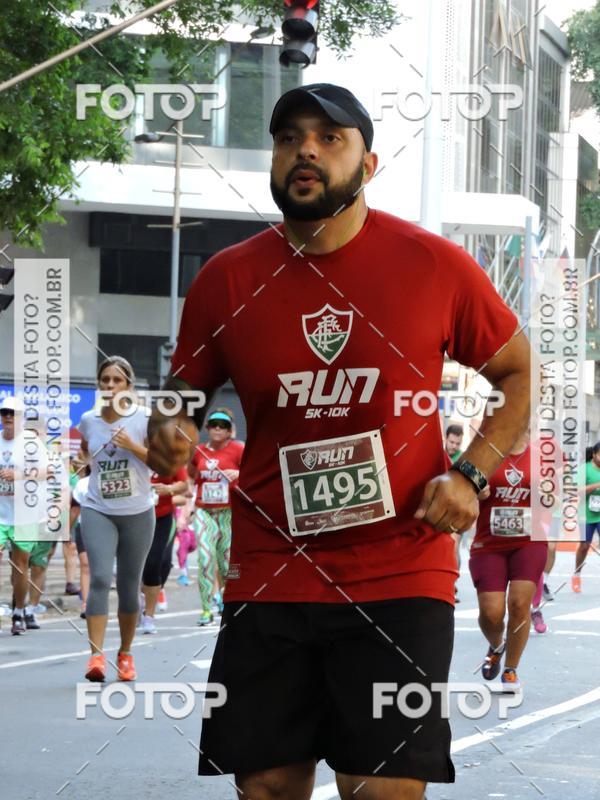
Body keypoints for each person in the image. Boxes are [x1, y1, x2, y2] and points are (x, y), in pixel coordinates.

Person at [148, 83, 531, 799]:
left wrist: (470, 475)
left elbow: (517, 373)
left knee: (380, 789)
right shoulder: (226, 279)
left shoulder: (434, 265)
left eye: (330, 138)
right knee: (264, 785)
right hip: (270, 571)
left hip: (397, 571)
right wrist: (170, 427)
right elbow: (182, 397)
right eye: (290, 137)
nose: (307, 151)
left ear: (369, 162)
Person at [78, 356, 155, 682]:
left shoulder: (146, 419)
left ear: (129, 385)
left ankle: (125, 654)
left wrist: (131, 446)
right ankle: (96, 656)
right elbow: (85, 449)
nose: (109, 386)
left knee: (127, 586)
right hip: (98, 509)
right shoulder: (89, 419)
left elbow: (162, 462)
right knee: (98, 578)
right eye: (104, 380)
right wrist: (81, 462)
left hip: (138, 512)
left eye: (116, 380)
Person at [469, 430, 547, 691]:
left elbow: (554, 500)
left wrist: (546, 495)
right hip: (489, 543)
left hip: (529, 542)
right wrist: (476, 492)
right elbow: (465, 492)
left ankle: (511, 669)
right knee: (491, 613)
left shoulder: (540, 457)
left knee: (519, 604)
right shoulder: (486, 452)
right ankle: (497, 645)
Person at [188, 408, 244, 625]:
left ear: (230, 430)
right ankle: (205, 609)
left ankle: (226, 600)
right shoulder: (198, 451)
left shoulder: (238, 450)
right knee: (204, 558)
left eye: (223, 426)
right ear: (207, 428)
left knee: (227, 563)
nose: (218, 429)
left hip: (229, 512)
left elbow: (255, 472)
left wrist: (240, 473)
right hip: (204, 511)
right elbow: (191, 479)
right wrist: (187, 510)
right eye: (214, 425)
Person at [0, 396, 48, 635]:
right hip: (0, 513)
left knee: (20, 566)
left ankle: (18, 611)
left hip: (24, 513)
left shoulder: (30, 441)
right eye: (4, 413)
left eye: (13, 413)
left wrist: (18, 476)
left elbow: (46, 470)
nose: (8, 417)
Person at [140, 467, 188, 634]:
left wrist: (169, 489)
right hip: (134, 517)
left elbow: (185, 487)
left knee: (157, 562)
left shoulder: (169, 456)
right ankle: (140, 598)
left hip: (162, 518)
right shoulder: (131, 452)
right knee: (137, 565)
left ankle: (149, 616)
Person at [572, 442, 600, 593]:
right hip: (586, 514)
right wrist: (596, 485)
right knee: (584, 546)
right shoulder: (585, 469)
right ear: (594, 454)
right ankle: (576, 574)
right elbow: (578, 491)